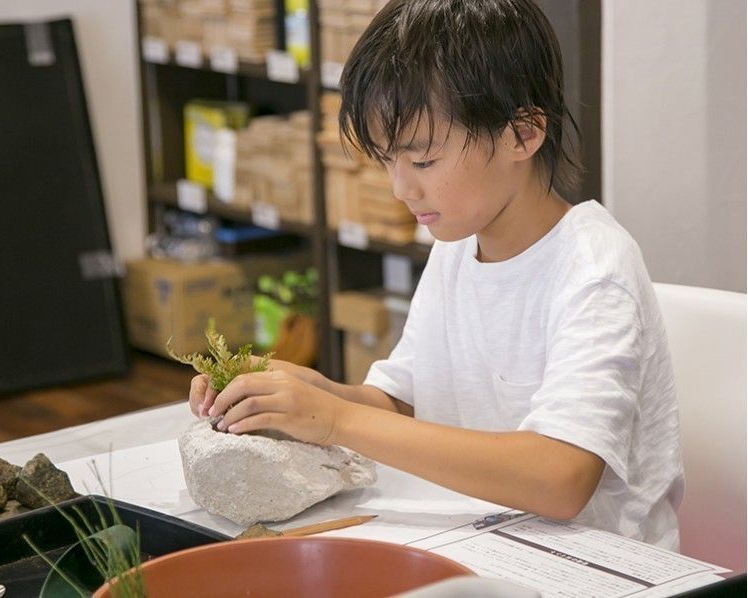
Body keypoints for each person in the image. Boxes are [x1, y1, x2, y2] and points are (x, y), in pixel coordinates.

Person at [189, 0, 684, 550]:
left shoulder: (593, 270)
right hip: (485, 545)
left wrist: (333, 420)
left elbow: (560, 477)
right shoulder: (458, 246)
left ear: (522, 135)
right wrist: (304, 394)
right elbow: (403, 403)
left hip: (597, 571)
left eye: (422, 161)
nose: (401, 188)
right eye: (388, 161)